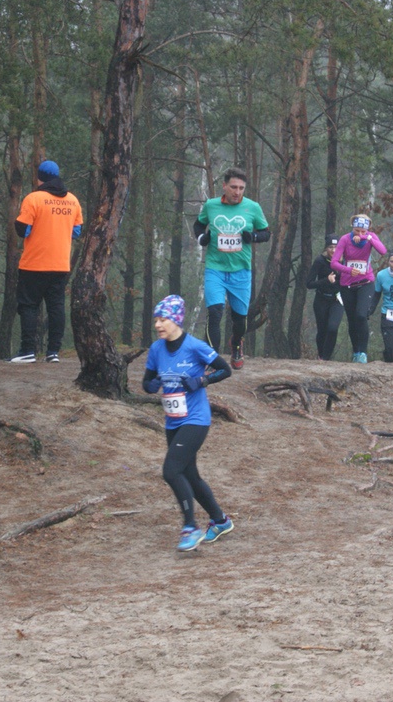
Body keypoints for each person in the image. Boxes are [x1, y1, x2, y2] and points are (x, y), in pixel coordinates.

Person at [142, 295, 234, 552]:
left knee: (171, 471)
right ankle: (220, 521)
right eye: (156, 320)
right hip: (173, 421)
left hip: (196, 419)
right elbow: (147, 381)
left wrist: (202, 381)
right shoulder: (156, 349)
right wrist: (150, 385)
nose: (158, 325)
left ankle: (190, 527)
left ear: (176, 320)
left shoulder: (195, 347)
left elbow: (225, 370)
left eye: (163, 319)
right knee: (190, 475)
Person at [193, 167, 270, 370]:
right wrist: (202, 238)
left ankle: (236, 344)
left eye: (241, 188)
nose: (237, 192)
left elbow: (266, 233)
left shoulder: (252, 207)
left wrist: (253, 237)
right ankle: (212, 358)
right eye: (233, 187)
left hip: (241, 271)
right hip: (215, 269)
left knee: (240, 320)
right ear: (224, 186)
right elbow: (198, 225)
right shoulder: (211, 206)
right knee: (214, 313)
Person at [10, 160, 83, 364]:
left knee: (29, 306)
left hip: (34, 263)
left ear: (39, 177)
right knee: (56, 307)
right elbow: (77, 232)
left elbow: (23, 229)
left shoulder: (33, 199)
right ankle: (53, 352)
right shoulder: (73, 201)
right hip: (60, 264)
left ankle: (27, 351)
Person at [331, 214, 388, 363]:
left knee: (361, 315)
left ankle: (363, 352)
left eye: (363, 231)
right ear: (352, 228)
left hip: (366, 282)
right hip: (347, 284)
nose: (360, 234)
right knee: (352, 319)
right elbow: (334, 262)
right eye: (357, 231)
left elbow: (383, 251)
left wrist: (367, 238)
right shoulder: (345, 239)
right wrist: (348, 270)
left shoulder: (371, 237)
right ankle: (356, 351)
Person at [305, 235, 344, 360]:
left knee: (332, 328)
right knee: (322, 330)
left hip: (337, 300)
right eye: (330, 247)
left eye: (336, 247)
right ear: (326, 248)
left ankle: (326, 358)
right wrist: (326, 280)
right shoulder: (320, 261)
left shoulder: (343, 262)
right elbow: (309, 284)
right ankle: (321, 356)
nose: (333, 250)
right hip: (321, 299)